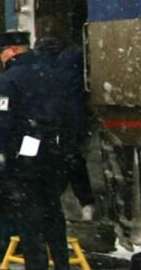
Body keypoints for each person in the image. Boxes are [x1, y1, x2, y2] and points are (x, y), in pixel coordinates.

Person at [0, 31, 70, 270]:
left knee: (29, 220)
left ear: (12, 50)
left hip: (24, 157)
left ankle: (36, 265)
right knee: (53, 214)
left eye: (2, 52)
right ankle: (62, 263)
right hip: (53, 151)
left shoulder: (10, 79)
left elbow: (2, 121)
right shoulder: (53, 73)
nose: (0, 58)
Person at [34, 30, 96, 221]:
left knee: (50, 165)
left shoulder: (37, 67)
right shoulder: (74, 61)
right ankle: (86, 203)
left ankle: (50, 206)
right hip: (72, 121)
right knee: (73, 161)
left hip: (47, 125)